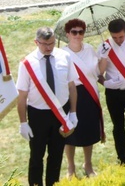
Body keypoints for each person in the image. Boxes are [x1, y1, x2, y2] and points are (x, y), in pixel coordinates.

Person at [17, 27, 78, 186]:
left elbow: (72, 86)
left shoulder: (64, 56)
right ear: (36, 42)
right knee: (37, 156)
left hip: (61, 113)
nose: (48, 47)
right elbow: (22, 96)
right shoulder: (27, 63)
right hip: (38, 115)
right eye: (44, 44)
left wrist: (73, 112)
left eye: (51, 43)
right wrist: (23, 122)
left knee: (56, 154)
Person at [97, 18, 125, 166]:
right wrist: (105, 81)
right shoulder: (105, 46)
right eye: (115, 37)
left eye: (121, 37)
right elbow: (98, 73)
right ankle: (123, 159)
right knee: (118, 127)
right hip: (113, 93)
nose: (118, 40)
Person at [62, 19, 102, 179]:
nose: (77, 35)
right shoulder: (62, 54)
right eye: (74, 32)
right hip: (70, 95)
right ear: (67, 34)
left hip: (88, 94)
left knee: (88, 130)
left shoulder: (90, 49)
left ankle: (88, 164)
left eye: (81, 32)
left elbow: (98, 72)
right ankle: (70, 167)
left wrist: (104, 57)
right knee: (69, 132)